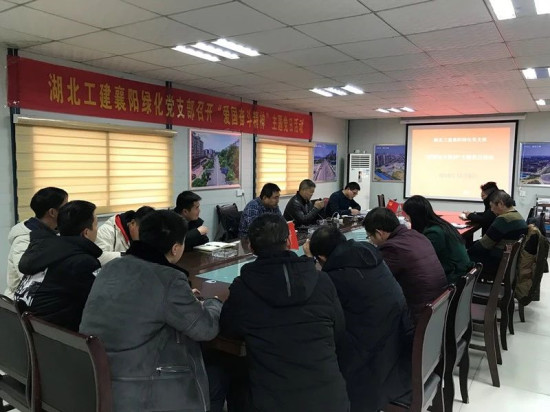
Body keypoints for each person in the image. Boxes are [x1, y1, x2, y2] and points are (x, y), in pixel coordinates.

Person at [80, 210, 222, 412]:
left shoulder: (111, 267)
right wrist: (212, 303)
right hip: (142, 387)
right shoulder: (169, 279)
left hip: (98, 377)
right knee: (219, 374)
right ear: (176, 248)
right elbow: (206, 329)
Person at [220, 214, 349, 412]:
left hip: (271, 400)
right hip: (329, 399)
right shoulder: (322, 280)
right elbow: (338, 332)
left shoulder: (243, 288)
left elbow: (228, 329)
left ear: (251, 248)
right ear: (289, 242)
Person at [306, 226, 413, 412]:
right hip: (398, 349)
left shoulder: (336, 277)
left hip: (372, 367)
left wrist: (308, 261)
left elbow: (312, 299)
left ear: (321, 257)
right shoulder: (371, 256)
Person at [14, 200, 101, 331]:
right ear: (86, 232)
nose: (97, 229)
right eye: (96, 225)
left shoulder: (44, 250)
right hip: (55, 336)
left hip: (22, 330)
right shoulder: (82, 262)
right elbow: (101, 303)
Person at [363, 207, 448, 324]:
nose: (371, 241)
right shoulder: (416, 235)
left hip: (419, 315)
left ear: (379, 233)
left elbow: (374, 283)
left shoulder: (391, 248)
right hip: (439, 306)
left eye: (369, 237)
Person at [5, 186, 68, 299]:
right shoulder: (23, 240)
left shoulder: (55, 232)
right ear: (52, 212)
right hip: (21, 301)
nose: (68, 211)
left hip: (45, 297)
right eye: (65, 206)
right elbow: (29, 278)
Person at [402, 195, 473, 284]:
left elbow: (422, 260)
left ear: (415, 216)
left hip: (454, 277)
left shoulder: (433, 233)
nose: (407, 219)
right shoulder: (440, 224)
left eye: (407, 216)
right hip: (460, 272)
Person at [468, 190, 528, 279]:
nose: (491, 210)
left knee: (459, 260)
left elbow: (483, 246)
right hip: (507, 262)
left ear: (500, 204)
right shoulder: (517, 216)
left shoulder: (504, 219)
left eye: (492, 206)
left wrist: (466, 250)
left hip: (496, 263)